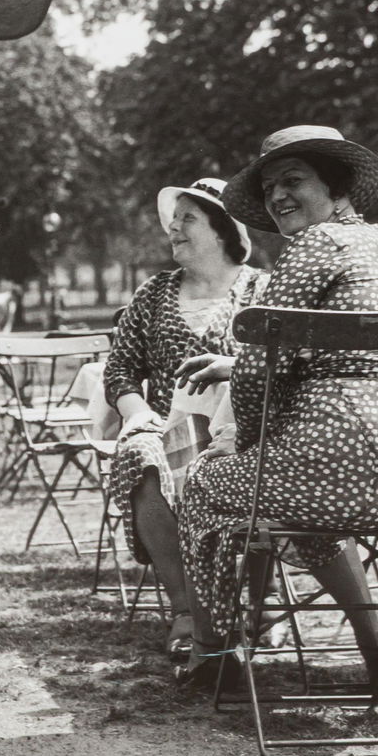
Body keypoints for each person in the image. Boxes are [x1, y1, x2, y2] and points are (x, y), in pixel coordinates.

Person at [171, 126, 378, 696]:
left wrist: (244, 440)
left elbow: (259, 368)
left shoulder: (314, 245)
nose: (278, 195)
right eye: (271, 185)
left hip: (341, 467)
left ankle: (217, 655)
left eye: (293, 181)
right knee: (307, 504)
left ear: (338, 184)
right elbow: (350, 352)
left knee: (204, 482)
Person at [102, 178, 260, 663]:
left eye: (188, 218)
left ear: (222, 230)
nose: (173, 227)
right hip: (167, 426)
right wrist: (138, 413)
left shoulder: (262, 290)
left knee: (253, 463)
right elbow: (120, 370)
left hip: (246, 427)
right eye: (174, 219)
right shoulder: (153, 294)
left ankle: (256, 609)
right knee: (137, 455)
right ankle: (187, 610)